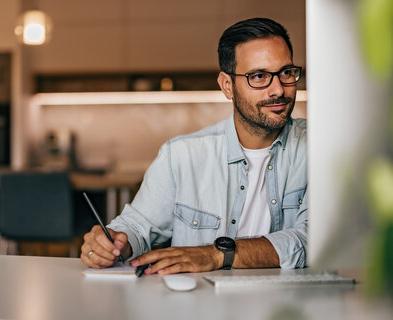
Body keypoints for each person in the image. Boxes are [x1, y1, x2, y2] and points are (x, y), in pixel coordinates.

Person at [80, 18, 307, 275]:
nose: (278, 89)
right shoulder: (180, 156)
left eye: (286, 73)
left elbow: (312, 239)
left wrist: (216, 254)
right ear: (227, 86)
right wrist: (113, 241)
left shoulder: (320, 150)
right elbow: (138, 226)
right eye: (259, 76)